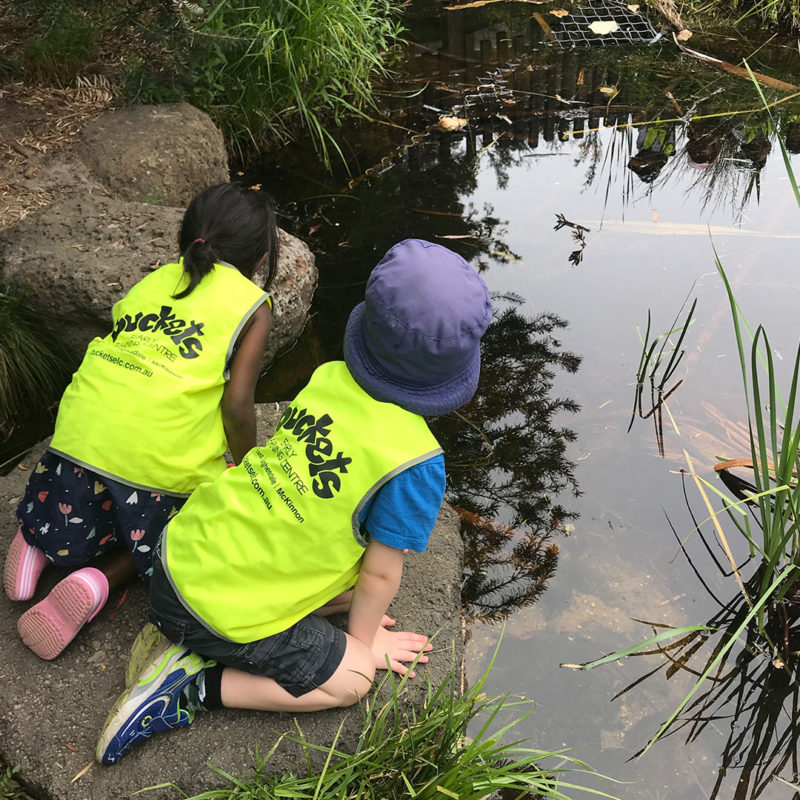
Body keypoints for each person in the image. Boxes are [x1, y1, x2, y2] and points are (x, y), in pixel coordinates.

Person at [94, 238, 492, 765]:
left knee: (340, 575)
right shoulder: (414, 463)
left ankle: (225, 633)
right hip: (208, 611)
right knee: (352, 678)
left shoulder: (328, 378)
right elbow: (380, 576)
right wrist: (363, 645)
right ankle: (193, 687)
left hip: (176, 557)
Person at [3, 182, 278, 661]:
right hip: (151, 469)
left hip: (74, 443)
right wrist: (246, 461)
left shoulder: (155, 280)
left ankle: (35, 540)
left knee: (92, 480)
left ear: (190, 237)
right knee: (185, 517)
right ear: (259, 256)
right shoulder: (252, 306)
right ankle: (100, 581)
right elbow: (237, 403)